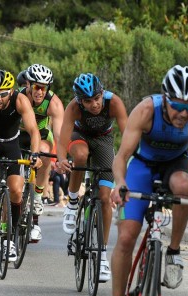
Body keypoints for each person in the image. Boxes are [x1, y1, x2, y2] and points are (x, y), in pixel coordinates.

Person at [103, 65, 188, 296]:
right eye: (177, 106)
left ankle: (173, 252)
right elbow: (122, 155)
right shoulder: (145, 110)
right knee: (126, 236)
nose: (182, 114)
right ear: (165, 98)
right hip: (141, 166)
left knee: (184, 186)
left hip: (175, 165)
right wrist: (119, 183)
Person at [56, 73, 128, 283]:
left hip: (104, 141)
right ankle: (72, 202)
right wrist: (61, 159)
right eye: (88, 101)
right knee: (80, 156)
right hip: (80, 137)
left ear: (102, 93)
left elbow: (128, 136)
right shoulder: (74, 108)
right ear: (80, 101)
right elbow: (62, 140)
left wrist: (126, 165)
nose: (94, 104)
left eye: (97, 98)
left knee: (105, 198)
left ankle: (102, 255)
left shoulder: (114, 103)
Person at [0, 69, 42, 261]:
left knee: (16, 192)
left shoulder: (20, 100)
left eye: (3, 94)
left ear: (11, 91)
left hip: (12, 144)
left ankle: (9, 240)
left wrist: (35, 154)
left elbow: (34, 130)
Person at [19, 64, 65, 242]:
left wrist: (61, 158)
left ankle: (37, 196)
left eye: (44, 88)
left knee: (45, 154)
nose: (39, 92)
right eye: (36, 86)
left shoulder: (54, 103)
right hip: (20, 134)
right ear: (28, 84)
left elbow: (60, 135)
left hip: (43, 135)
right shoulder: (19, 96)